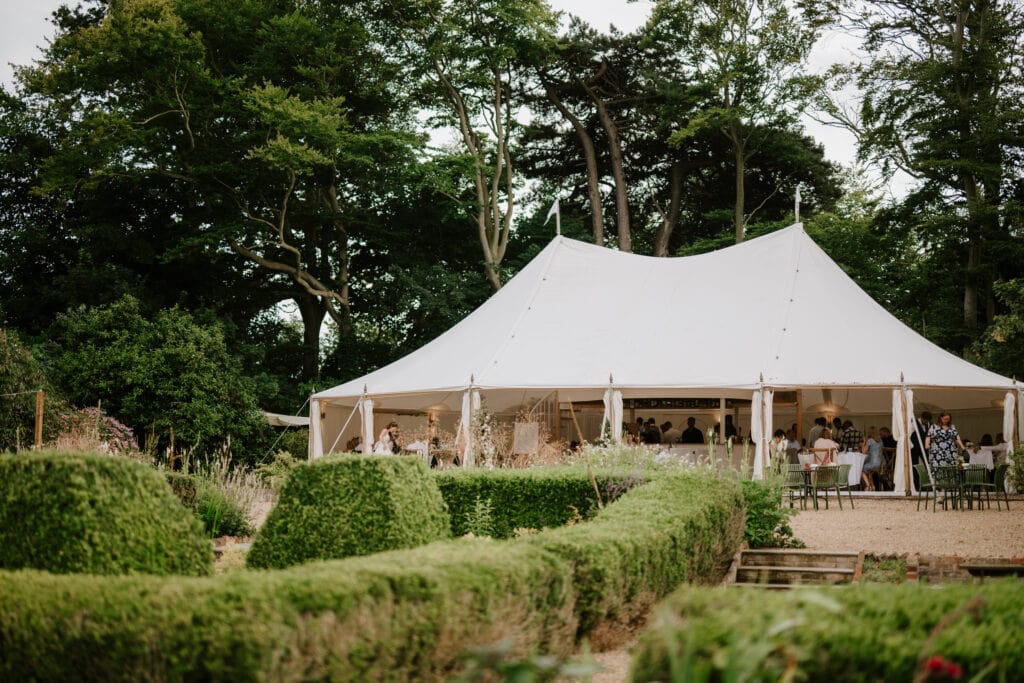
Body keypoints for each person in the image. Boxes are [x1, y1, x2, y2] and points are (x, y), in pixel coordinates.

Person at [861, 426, 883, 491]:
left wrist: (864, 442)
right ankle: (872, 485)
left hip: (873, 464)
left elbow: (863, 452)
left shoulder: (870, 440)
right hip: (881, 464)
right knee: (869, 471)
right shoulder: (881, 441)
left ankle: (869, 485)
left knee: (861, 469)